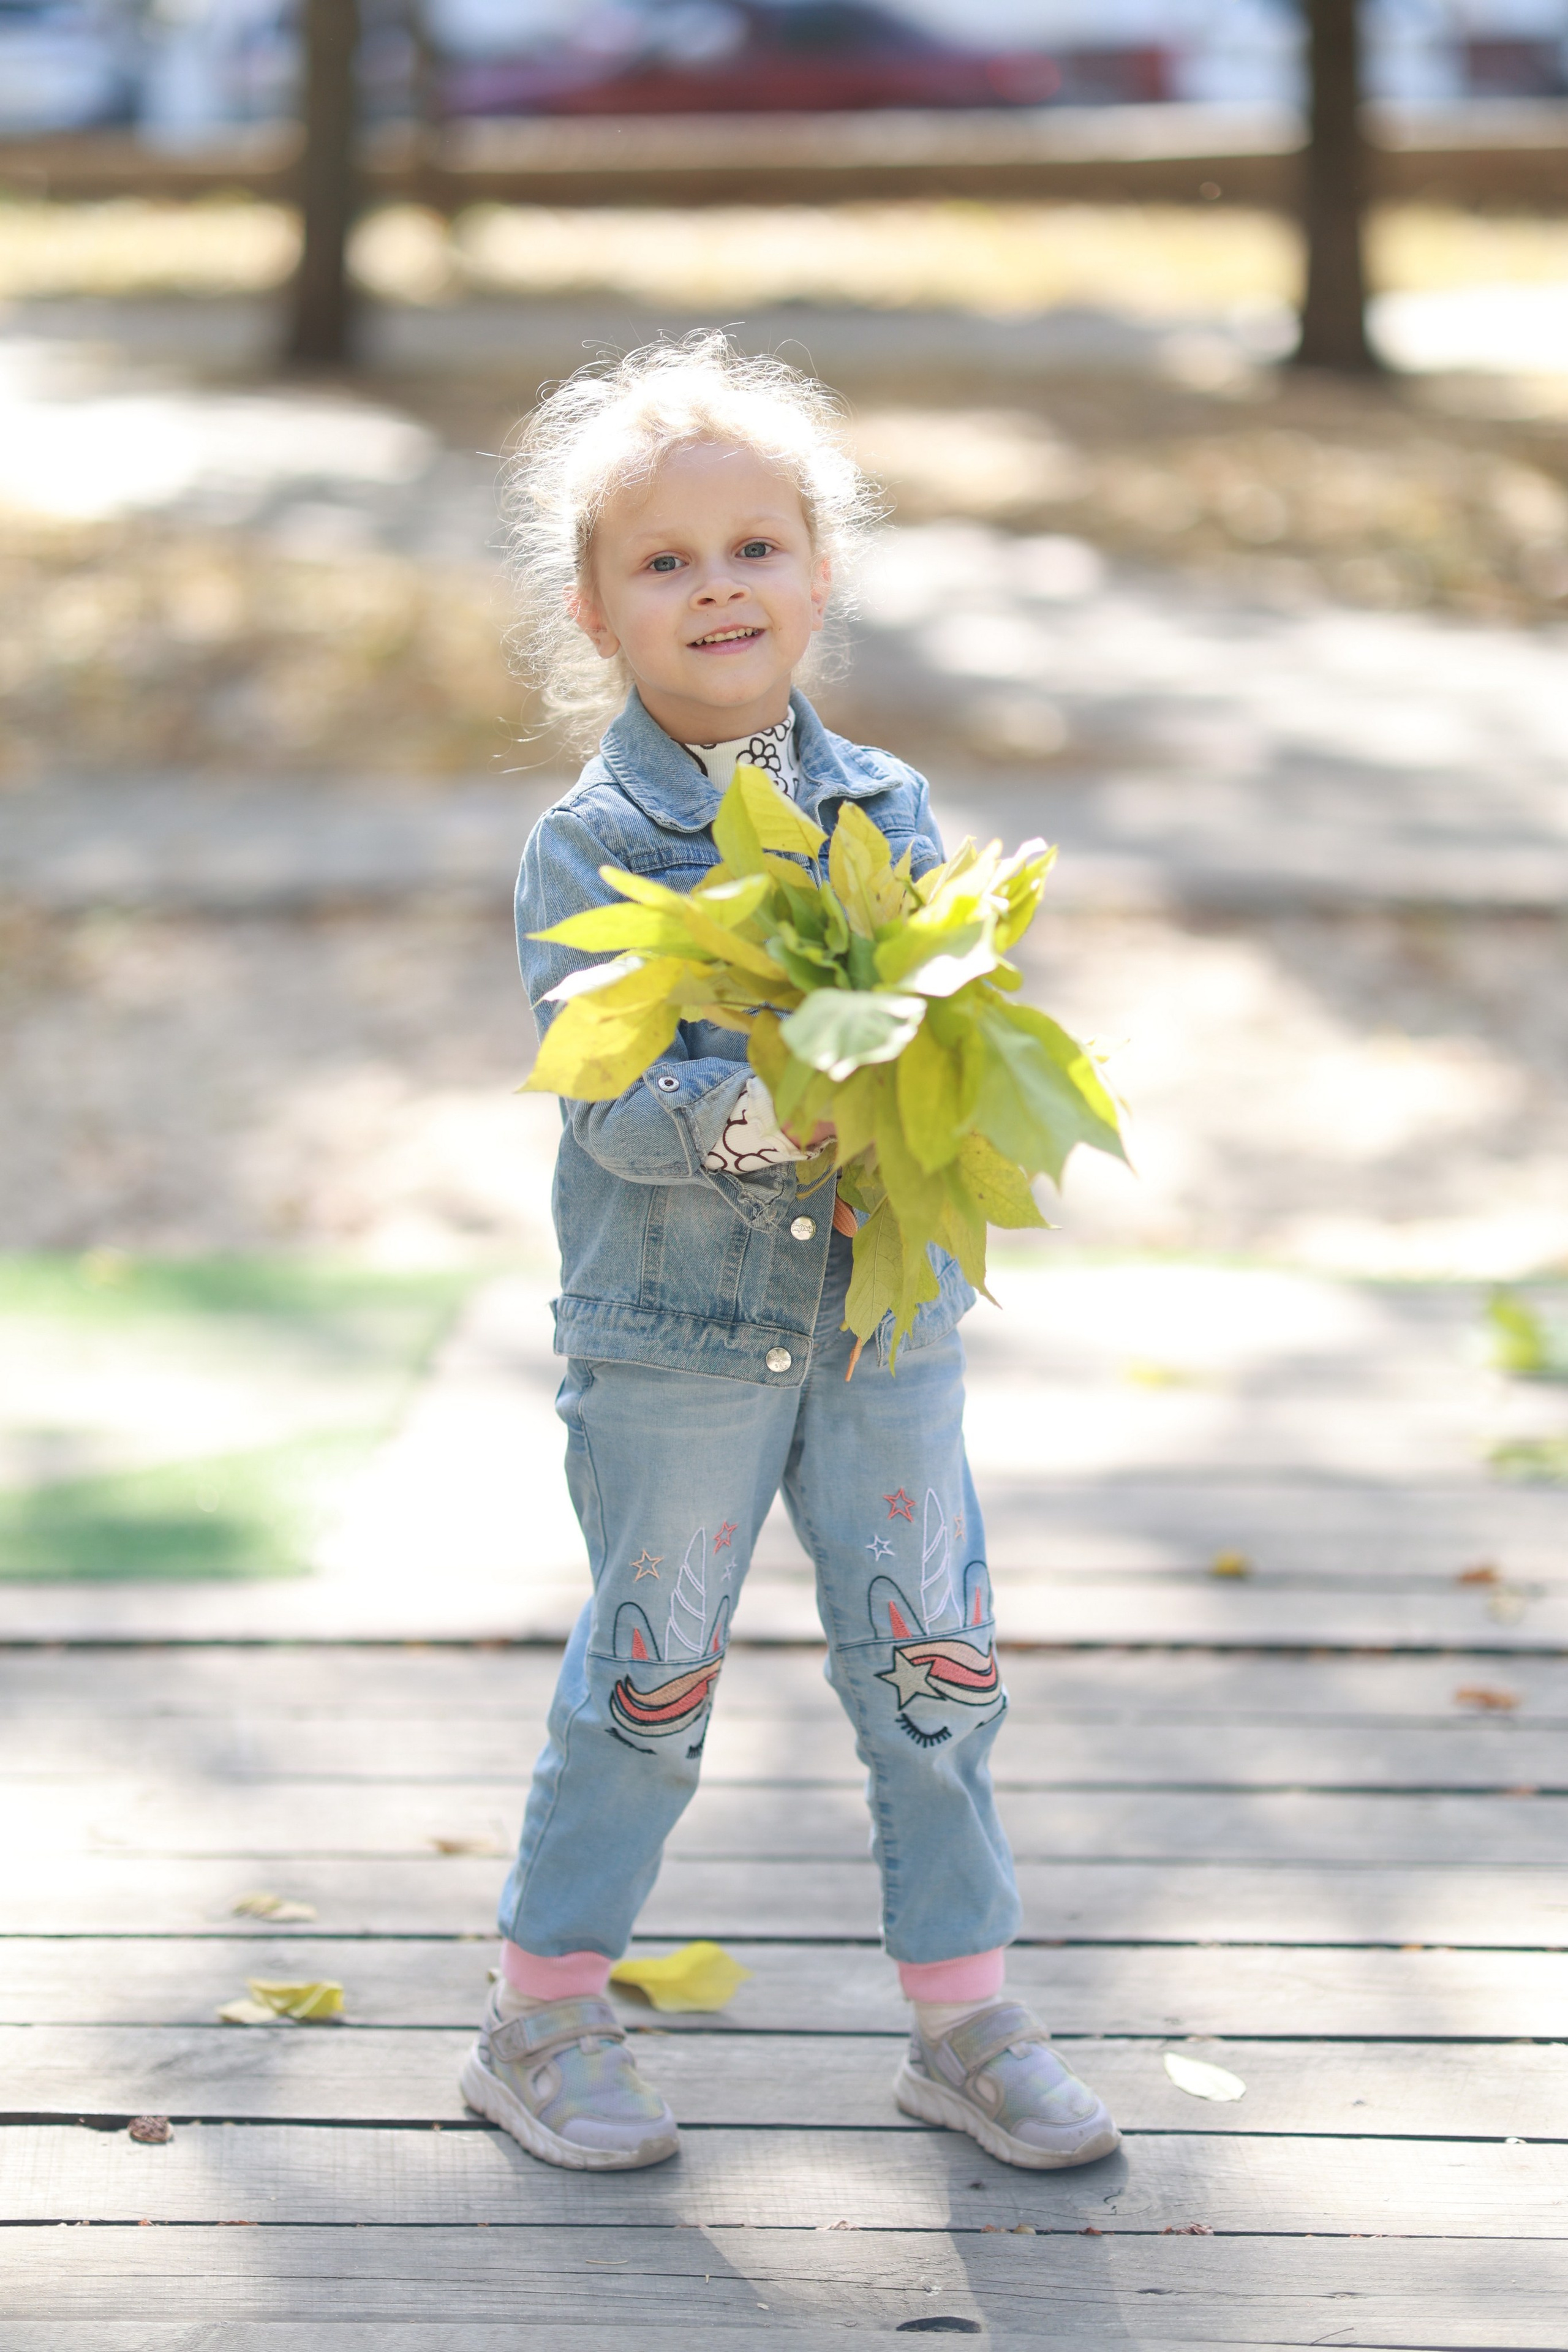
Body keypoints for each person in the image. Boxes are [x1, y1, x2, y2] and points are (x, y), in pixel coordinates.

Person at [461, 334, 1118, 2175]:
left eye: (755, 547)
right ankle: (542, 2018)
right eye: (663, 562)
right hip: (675, 1337)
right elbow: (612, 1101)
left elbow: (938, 1028)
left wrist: (937, 1068)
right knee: (649, 1680)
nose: (716, 585)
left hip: (878, 1332)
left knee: (934, 1671)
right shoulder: (590, 843)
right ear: (593, 610)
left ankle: (967, 2021)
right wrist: (774, 1110)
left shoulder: (888, 810)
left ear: (820, 575)